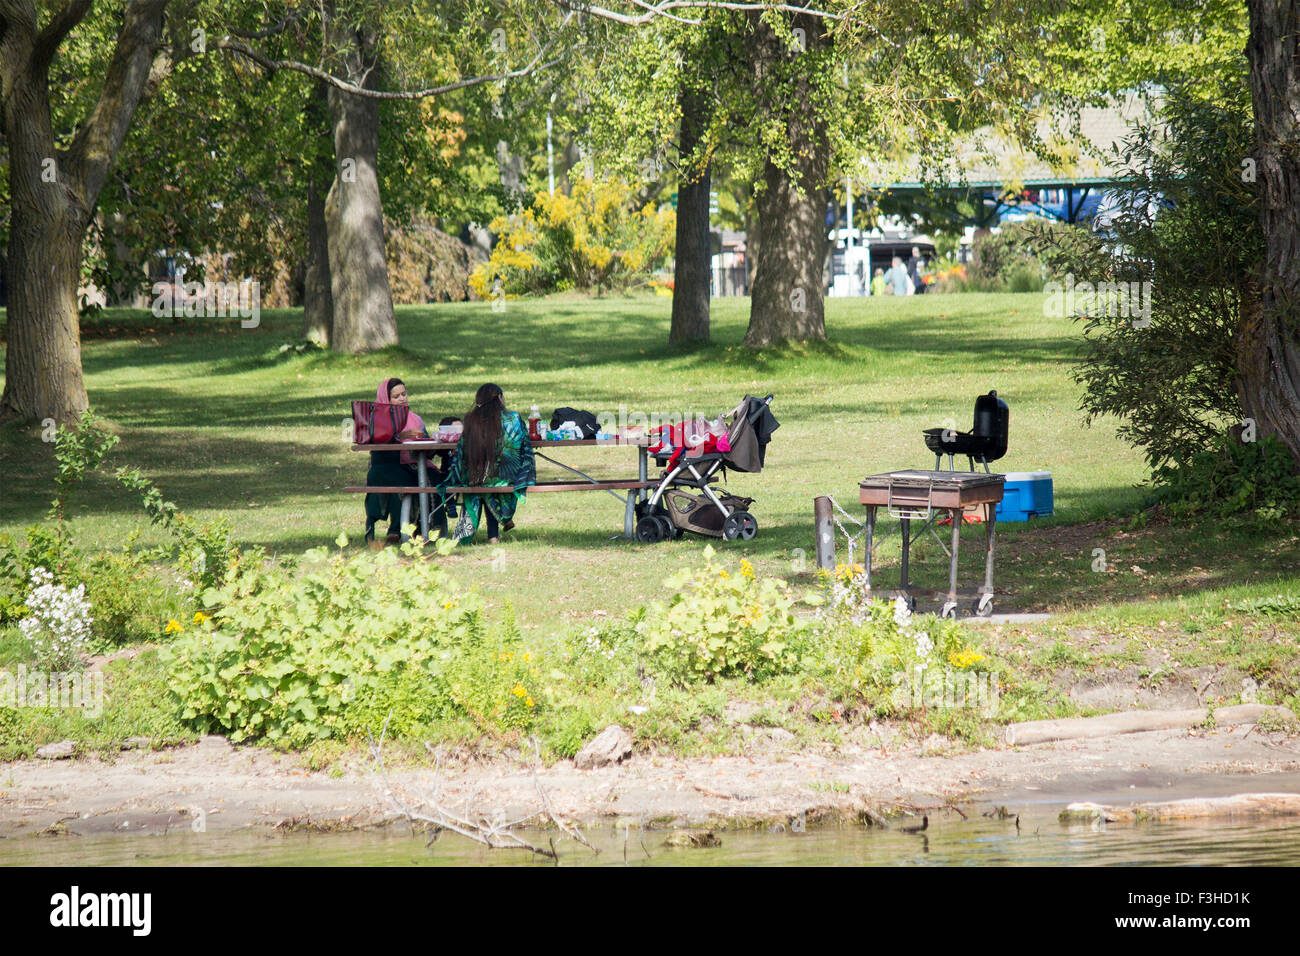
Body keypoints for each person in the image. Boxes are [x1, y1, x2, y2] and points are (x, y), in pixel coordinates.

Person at [441, 383, 536, 544]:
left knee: (482, 483)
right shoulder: (513, 418)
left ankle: (488, 534)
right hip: (506, 477)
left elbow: (461, 452)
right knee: (494, 481)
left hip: (475, 478)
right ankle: (495, 532)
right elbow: (525, 449)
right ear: (499, 398)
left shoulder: (471, 420)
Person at [364, 377, 429, 543]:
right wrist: (402, 436)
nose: (402, 399)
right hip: (383, 468)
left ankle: (416, 528)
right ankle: (398, 529)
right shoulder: (377, 421)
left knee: (424, 479)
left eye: (404, 394)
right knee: (397, 480)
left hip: (411, 466)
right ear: (386, 399)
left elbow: (428, 443)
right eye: (396, 396)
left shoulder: (414, 419)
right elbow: (378, 439)